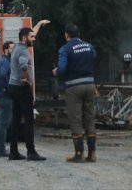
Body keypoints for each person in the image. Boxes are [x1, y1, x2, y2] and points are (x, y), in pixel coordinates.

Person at [53, 24, 98, 163]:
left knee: (76, 119)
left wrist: (56, 72)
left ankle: (79, 154)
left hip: (74, 87)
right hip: (90, 85)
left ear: (67, 35)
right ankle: (92, 154)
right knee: (89, 119)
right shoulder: (89, 46)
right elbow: (94, 56)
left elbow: (61, 69)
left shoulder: (65, 49)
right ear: (78, 34)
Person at [7, 19, 51, 161]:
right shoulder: (24, 52)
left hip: (13, 87)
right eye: (32, 37)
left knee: (15, 119)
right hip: (21, 89)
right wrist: (30, 81)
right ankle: (31, 152)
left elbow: (31, 33)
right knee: (29, 120)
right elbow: (23, 66)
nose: (34, 39)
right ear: (25, 38)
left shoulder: (16, 48)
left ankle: (13, 152)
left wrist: (39, 24)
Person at [0, 41, 14, 157]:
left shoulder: (0, 60)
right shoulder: (6, 62)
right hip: (5, 96)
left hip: (0, 94)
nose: (13, 50)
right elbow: (2, 75)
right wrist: (7, 89)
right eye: (11, 48)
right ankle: (1, 150)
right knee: (4, 124)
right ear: (6, 50)